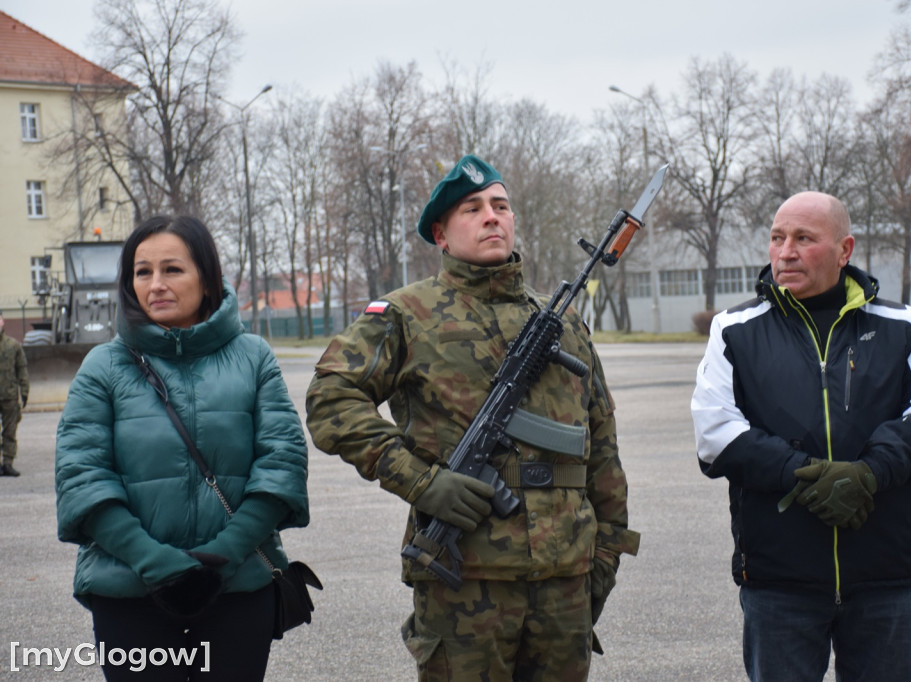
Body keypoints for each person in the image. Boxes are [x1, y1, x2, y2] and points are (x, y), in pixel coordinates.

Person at [306, 154, 640, 681]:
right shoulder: (405, 316)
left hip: (566, 578)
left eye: (501, 206)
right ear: (440, 233)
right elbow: (331, 398)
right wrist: (422, 482)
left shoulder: (564, 323)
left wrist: (606, 554)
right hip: (465, 579)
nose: (492, 217)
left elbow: (600, 445)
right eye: (473, 208)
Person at [691, 191, 911, 682]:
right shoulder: (734, 330)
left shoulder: (902, 326)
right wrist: (807, 475)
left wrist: (867, 475)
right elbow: (715, 434)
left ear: (844, 249)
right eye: (776, 238)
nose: (785, 252)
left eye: (803, 238)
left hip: (883, 576)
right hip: (779, 581)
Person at [55, 216, 309, 681]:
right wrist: (157, 563)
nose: (155, 285)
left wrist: (223, 555)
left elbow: (283, 464)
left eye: (172, 269)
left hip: (237, 588)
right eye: (142, 271)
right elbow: (82, 478)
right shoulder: (103, 366)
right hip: (130, 592)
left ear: (207, 278)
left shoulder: (254, 357)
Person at [0, 310, 30, 477]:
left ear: (3, 322)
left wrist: (24, 391)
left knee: (10, 432)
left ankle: (8, 463)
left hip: (9, 396)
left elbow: (22, 370)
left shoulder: (13, 345)